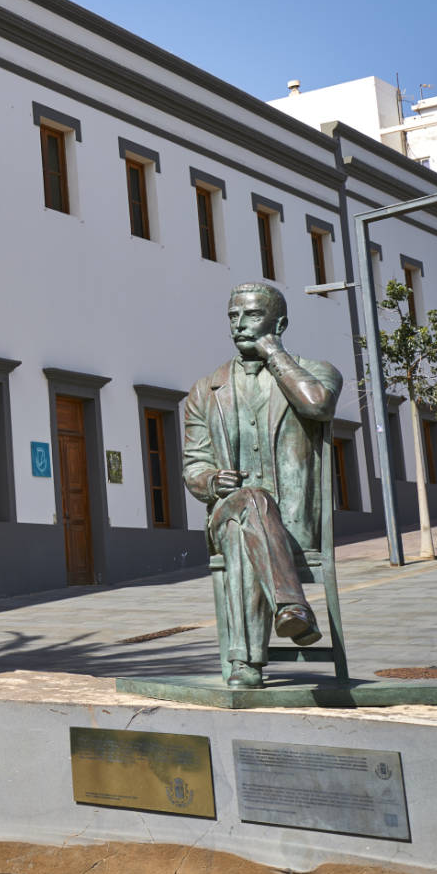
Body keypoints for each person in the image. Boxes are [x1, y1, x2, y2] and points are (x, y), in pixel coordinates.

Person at [183, 282, 343, 688]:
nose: (239, 325)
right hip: (226, 510)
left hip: (292, 523)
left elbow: (317, 404)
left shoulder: (318, 372)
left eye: (251, 315)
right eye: (233, 316)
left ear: (280, 323)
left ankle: (244, 666)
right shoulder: (206, 390)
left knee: (245, 531)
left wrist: (275, 355)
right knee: (248, 502)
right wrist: (212, 480)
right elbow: (194, 464)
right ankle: (292, 608)